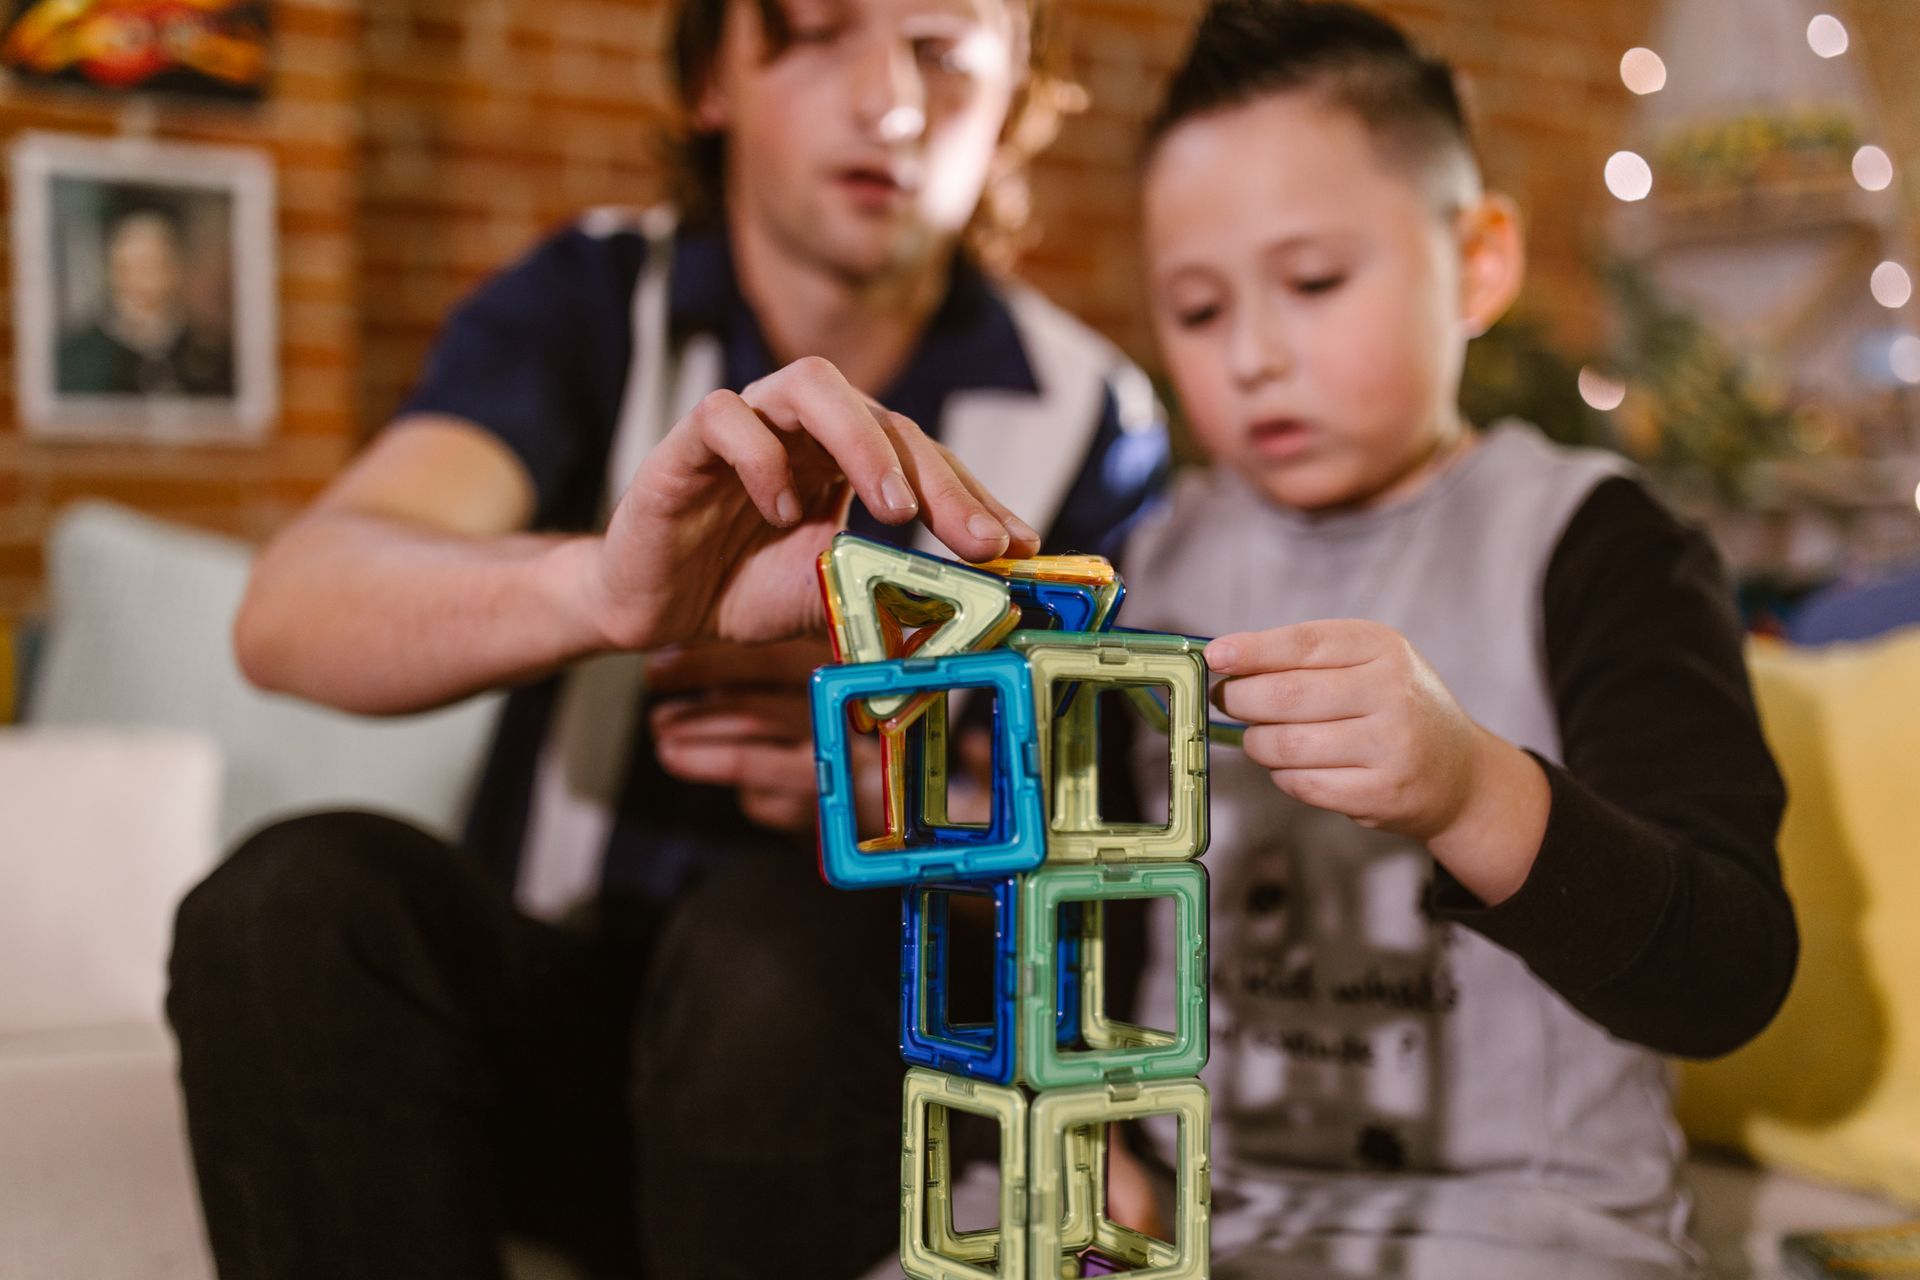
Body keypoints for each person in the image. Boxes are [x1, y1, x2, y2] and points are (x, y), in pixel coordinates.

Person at [164, 0, 1166, 1272]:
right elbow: (293, 608)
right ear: (712, 74)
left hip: (846, 1044)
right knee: (289, 903)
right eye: (813, 30)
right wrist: (607, 594)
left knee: (778, 944)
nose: (891, 105)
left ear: (1020, 92)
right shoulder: (591, 299)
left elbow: (1123, 849)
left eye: (942, 51)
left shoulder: (1094, 416)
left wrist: (913, 799)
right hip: (563, 1026)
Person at [1111, 3, 1799, 1276]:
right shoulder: (1145, 562)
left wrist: (1474, 787)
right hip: (1185, 1214)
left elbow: (1730, 970)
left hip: (1521, 1228)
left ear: (1479, 262)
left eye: (1314, 282)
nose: (1255, 354)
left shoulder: (1599, 544)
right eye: (1197, 310)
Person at [57, 205, 233, 396]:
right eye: (134, 266)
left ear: (176, 270)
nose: (145, 279)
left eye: (156, 264)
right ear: (114, 273)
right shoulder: (78, 355)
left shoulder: (208, 352)